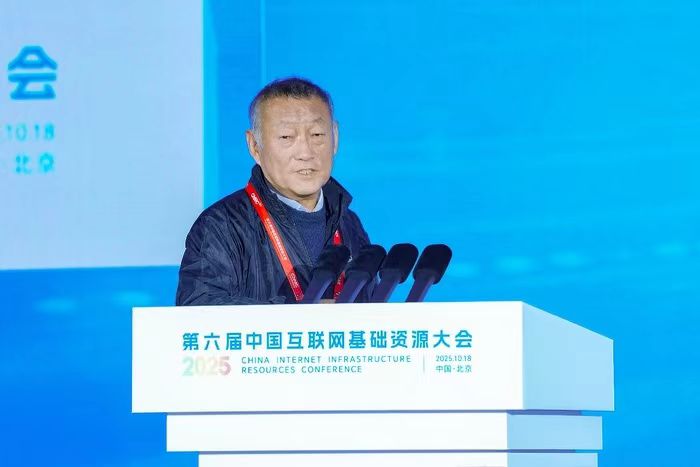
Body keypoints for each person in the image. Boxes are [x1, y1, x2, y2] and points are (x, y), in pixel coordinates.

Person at [176, 77, 374, 305]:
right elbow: (199, 312)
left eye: (317, 135)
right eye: (287, 137)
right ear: (254, 146)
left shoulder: (348, 223)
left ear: (335, 137)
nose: (305, 153)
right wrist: (297, 315)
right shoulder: (221, 225)